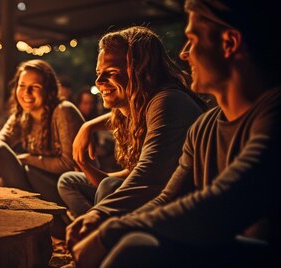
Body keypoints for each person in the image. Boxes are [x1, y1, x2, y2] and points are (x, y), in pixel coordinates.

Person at [72, 1, 280, 267]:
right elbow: (166, 198)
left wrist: (110, 228)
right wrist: (108, 221)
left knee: (135, 246)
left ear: (229, 43)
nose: (183, 53)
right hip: (218, 245)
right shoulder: (204, 127)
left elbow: (225, 201)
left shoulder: (273, 113)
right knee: (132, 237)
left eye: (192, 39)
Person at [58, 26, 206, 245]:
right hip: (148, 195)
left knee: (108, 188)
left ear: (140, 70)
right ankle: (90, 235)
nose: (99, 82)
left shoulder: (167, 102)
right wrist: (87, 128)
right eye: (98, 72)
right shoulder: (138, 107)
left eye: (111, 72)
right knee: (70, 180)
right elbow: (136, 172)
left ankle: (101, 240)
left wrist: (99, 214)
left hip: (176, 212)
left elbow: (148, 176)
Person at [0, 59, 85, 238]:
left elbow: (68, 163)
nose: (26, 92)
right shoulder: (22, 115)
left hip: (65, 189)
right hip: (38, 182)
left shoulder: (63, 111)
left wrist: (25, 158)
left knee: (2, 152)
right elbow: (1, 137)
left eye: (35, 87)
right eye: (22, 85)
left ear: (48, 89)